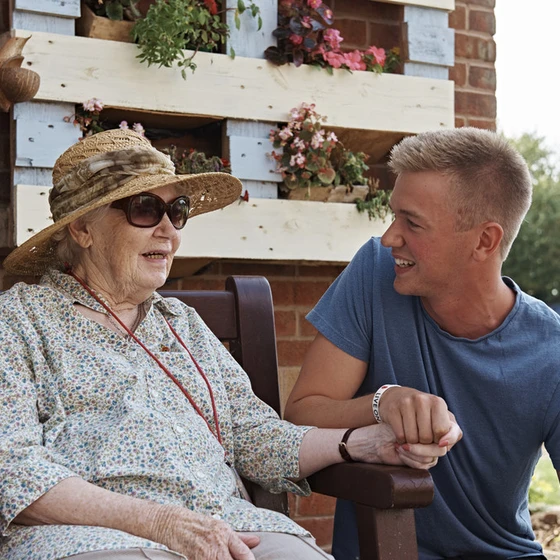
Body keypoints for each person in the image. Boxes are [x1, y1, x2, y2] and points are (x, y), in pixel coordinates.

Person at [0, 129, 453, 560]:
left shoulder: (182, 324)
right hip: (86, 539)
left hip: (227, 528)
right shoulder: (20, 320)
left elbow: (254, 436)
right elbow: (13, 470)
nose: (170, 232)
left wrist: (363, 443)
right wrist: (163, 523)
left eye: (175, 211)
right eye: (144, 209)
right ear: (82, 230)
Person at [284, 127, 560, 560]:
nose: (391, 237)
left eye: (412, 222)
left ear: (484, 240)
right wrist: (384, 402)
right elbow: (301, 414)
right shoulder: (375, 273)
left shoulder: (552, 350)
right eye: (394, 216)